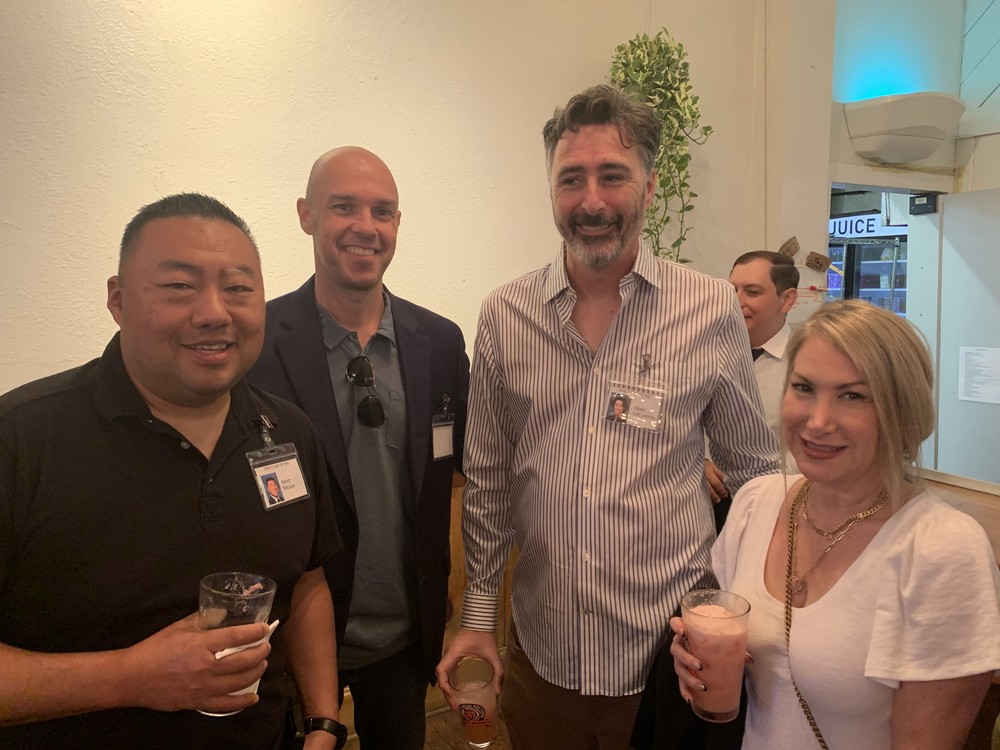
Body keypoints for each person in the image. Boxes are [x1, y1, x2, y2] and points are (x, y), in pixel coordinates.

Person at [434, 84, 778, 749]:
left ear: (649, 186)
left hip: (670, 664)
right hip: (544, 660)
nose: (591, 201)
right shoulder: (505, 315)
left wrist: (747, 616)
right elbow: (489, 480)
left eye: (612, 176)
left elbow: (756, 478)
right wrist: (477, 616)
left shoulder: (708, 308)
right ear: (551, 190)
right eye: (572, 179)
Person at [0, 193, 347, 749]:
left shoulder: (288, 431)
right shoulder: (20, 439)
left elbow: (306, 582)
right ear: (117, 300)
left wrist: (324, 722)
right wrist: (129, 677)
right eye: (180, 286)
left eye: (238, 288)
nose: (214, 312)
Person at [663, 300, 1000, 749]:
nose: (817, 422)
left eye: (852, 396)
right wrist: (695, 655)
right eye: (803, 388)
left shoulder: (940, 548)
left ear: (903, 411)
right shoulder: (757, 504)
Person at [247, 147, 469, 750]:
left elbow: (472, 463)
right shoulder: (256, 343)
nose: (365, 226)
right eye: (344, 206)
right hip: (291, 637)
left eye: (382, 211)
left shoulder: (439, 342)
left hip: (404, 635)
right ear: (306, 215)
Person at [705, 251, 799, 503]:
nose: (736, 301)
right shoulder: (707, 354)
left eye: (752, 292)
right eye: (731, 290)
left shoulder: (806, 363)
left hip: (775, 500)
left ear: (787, 299)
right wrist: (697, 461)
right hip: (707, 499)